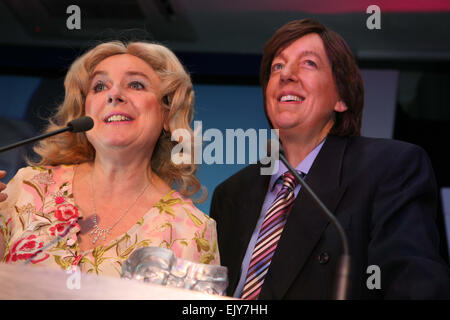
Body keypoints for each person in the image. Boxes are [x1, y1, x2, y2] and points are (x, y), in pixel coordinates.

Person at [210, 18, 450, 299]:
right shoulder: (230, 193)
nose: (286, 74)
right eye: (277, 66)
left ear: (342, 98)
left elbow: (414, 287)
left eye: (308, 63)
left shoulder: (392, 168)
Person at [0, 41, 220, 277]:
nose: (114, 94)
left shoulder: (192, 230)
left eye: (136, 84)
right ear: (84, 112)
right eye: (99, 86)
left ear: (167, 113)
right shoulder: (27, 187)